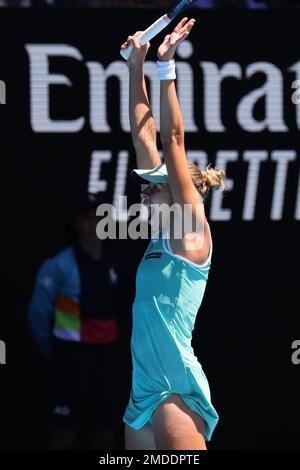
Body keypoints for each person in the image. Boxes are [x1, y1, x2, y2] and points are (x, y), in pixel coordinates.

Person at [120, 18, 226, 450]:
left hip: (175, 389)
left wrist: (165, 67)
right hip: (141, 391)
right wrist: (135, 66)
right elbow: (144, 138)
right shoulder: (160, 238)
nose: (144, 189)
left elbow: (172, 141)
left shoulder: (190, 229)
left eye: (154, 184)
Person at [28, 192, 123, 449]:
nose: (93, 225)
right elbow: (38, 315)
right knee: (62, 435)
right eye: (86, 219)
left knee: (104, 435)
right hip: (70, 361)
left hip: (106, 362)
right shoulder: (58, 265)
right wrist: (57, 352)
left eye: (99, 218)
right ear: (76, 224)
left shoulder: (118, 262)